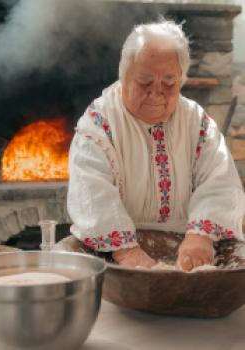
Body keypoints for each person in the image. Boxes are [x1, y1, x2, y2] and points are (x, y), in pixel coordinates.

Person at [67, 20, 245, 271]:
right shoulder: (99, 122)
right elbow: (91, 191)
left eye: (169, 83)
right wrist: (127, 251)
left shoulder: (197, 121)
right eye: (144, 82)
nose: (156, 93)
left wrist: (200, 236)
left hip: (187, 249)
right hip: (117, 258)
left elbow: (219, 180)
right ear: (124, 75)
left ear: (181, 80)